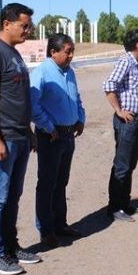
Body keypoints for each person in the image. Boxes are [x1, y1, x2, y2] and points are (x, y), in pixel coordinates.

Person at [0, 2, 40, 275]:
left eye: (29, 26)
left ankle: (10, 247)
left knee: (13, 196)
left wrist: (28, 131)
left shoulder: (12, 53)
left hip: (19, 136)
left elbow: (18, 98)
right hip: (2, 138)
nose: (28, 30)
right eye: (24, 25)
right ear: (7, 24)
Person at [30, 33, 86, 249]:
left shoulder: (69, 72)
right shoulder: (42, 72)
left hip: (69, 134)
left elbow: (77, 98)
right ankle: (46, 231)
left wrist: (80, 118)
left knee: (61, 182)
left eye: (72, 51)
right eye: (67, 51)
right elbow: (33, 104)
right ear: (53, 52)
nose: (71, 55)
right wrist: (48, 126)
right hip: (51, 136)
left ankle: (60, 224)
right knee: (47, 184)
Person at [102, 29, 138, 222]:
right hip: (126, 122)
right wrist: (119, 110)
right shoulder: (126, 61)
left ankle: (124, 203)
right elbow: (109, 84)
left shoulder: (135, 64)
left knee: (129, 164)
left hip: (136, 121)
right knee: (122, 165)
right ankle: (115, 207)